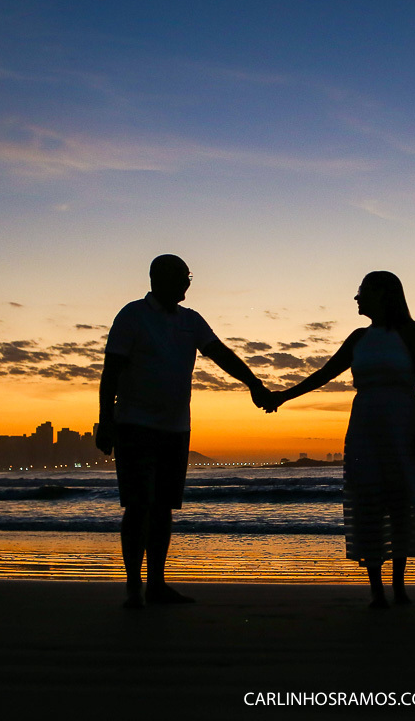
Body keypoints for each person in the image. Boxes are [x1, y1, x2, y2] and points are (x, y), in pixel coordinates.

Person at [96, 254, 272, 608]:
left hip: (175, 428)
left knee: (162, 507)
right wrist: (105, 420)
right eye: (182, 276)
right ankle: (134, 587)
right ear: (158, 278)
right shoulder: (132, 315)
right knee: (137, 506)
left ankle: (157, 584)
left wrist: (254, 383)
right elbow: (110, 371)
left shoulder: (191, 321)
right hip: (133, 425)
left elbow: (220, 354)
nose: (188, 282)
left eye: (189, 275)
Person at [265, 271, 415, 608]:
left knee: (400, 503)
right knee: (369, 503)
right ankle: (376, 590)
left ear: (383, 294)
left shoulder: (412, 333)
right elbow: (324, 374)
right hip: (365, 427)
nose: (357, 298)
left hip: (404, 423)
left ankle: (399, 586)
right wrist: (282, 396)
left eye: (363, 291)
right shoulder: (358, 338)